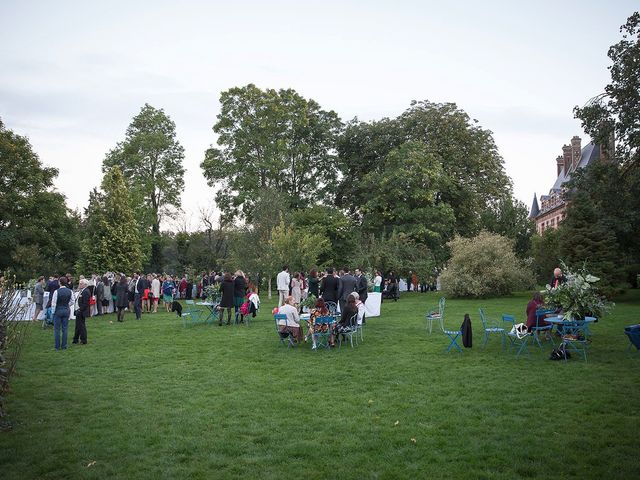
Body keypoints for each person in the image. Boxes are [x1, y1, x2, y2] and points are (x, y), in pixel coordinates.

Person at [51, 276, 74, 350]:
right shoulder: (70, 291)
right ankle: (64, 345)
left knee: (57, 329)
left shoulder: (56, 291)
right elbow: (72, 301)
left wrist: (53, 312)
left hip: (58, 310)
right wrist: (67, 305)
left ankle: (57, 346)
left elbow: (53, 303)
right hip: (66, 310)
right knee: (65, 329)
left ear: (60, 283)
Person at [72, 278, 90, 345]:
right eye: (79, 283)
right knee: (78, 326)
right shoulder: (81, 291)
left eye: (81, 283)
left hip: (81, 311)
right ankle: (75, 339)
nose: (79, 284)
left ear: (85, 285)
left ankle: (83, 340)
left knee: (81, 326)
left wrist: (79, 310)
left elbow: (85, 303)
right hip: (78, 310)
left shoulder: (86, 291)